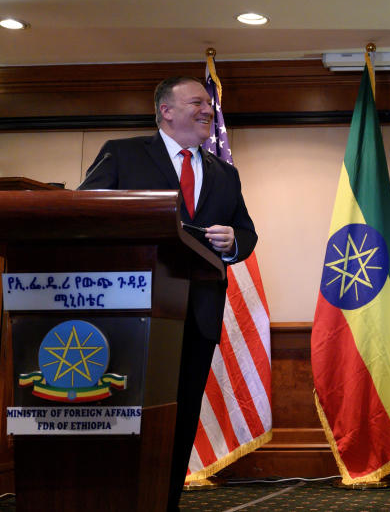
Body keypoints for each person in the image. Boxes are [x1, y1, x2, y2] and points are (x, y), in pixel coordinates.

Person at [79, 76, 257, 510]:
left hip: (197, 315)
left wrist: (233, 240)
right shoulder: (121, 153)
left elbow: (248, 234)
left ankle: (166, 501)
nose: (207, 110)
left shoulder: (225, 174)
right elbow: (86, 212)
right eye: (197, 102)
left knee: (178, 419)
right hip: (131, 313)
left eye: (209, 105)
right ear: (166, 110)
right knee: (125, 416)